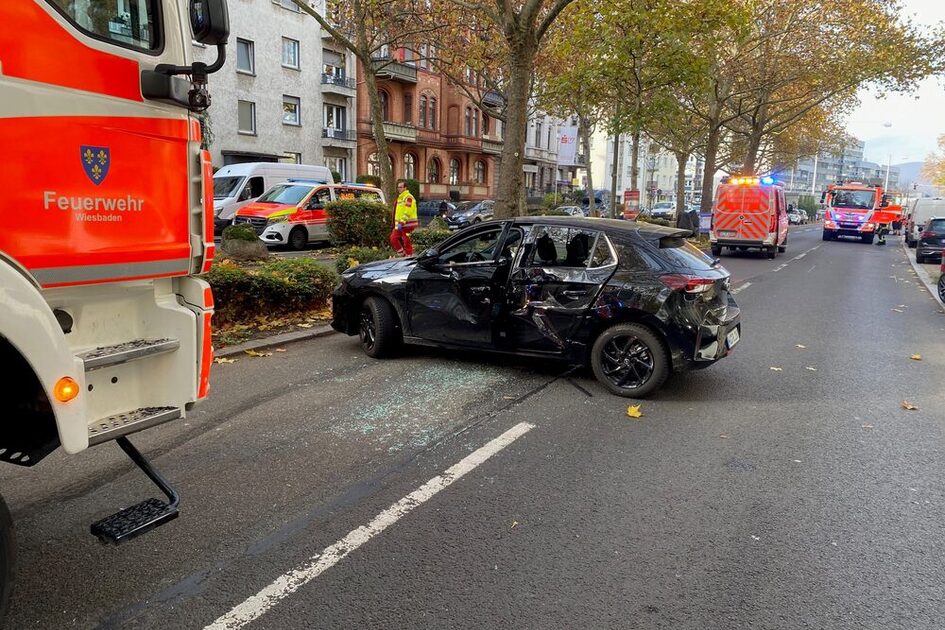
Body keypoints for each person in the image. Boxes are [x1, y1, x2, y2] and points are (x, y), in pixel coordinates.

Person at [390, 180, 419, 255]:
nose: (398, 189)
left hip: (407, 224)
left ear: (405, 188)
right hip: (399, 225)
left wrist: (402, 222)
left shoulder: (408, 198)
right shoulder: (400, 198)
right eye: (398, 187)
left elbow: (407, 212)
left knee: (407, 241)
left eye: (400, 187)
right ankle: (402, 254)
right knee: (393, 238)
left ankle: (409, 256)